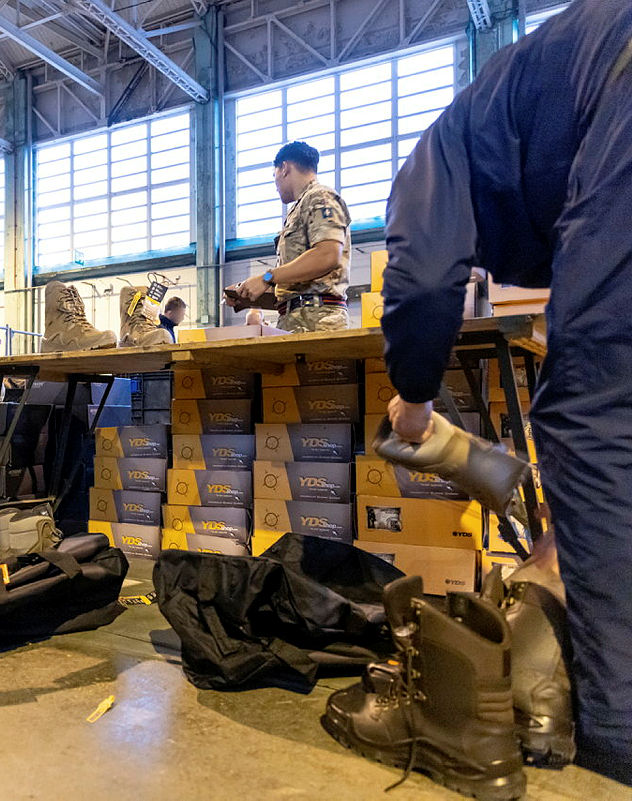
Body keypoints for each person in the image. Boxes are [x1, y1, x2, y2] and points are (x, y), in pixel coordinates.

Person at [379, 0, 632, 783]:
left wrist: (415, 403)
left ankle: (617, 737)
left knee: (588, 415)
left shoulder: (435, 154)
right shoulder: (532, 108)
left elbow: (424, 283)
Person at [226, 141, 352, 333]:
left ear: (284, 168)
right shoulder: (299, 208)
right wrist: (247, 293)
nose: (275, 184)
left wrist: (267, 278)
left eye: (274, 175)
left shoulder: (320, 197)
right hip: (298, 319)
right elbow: (299, 285)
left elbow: (327, 255)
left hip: (320, 321)